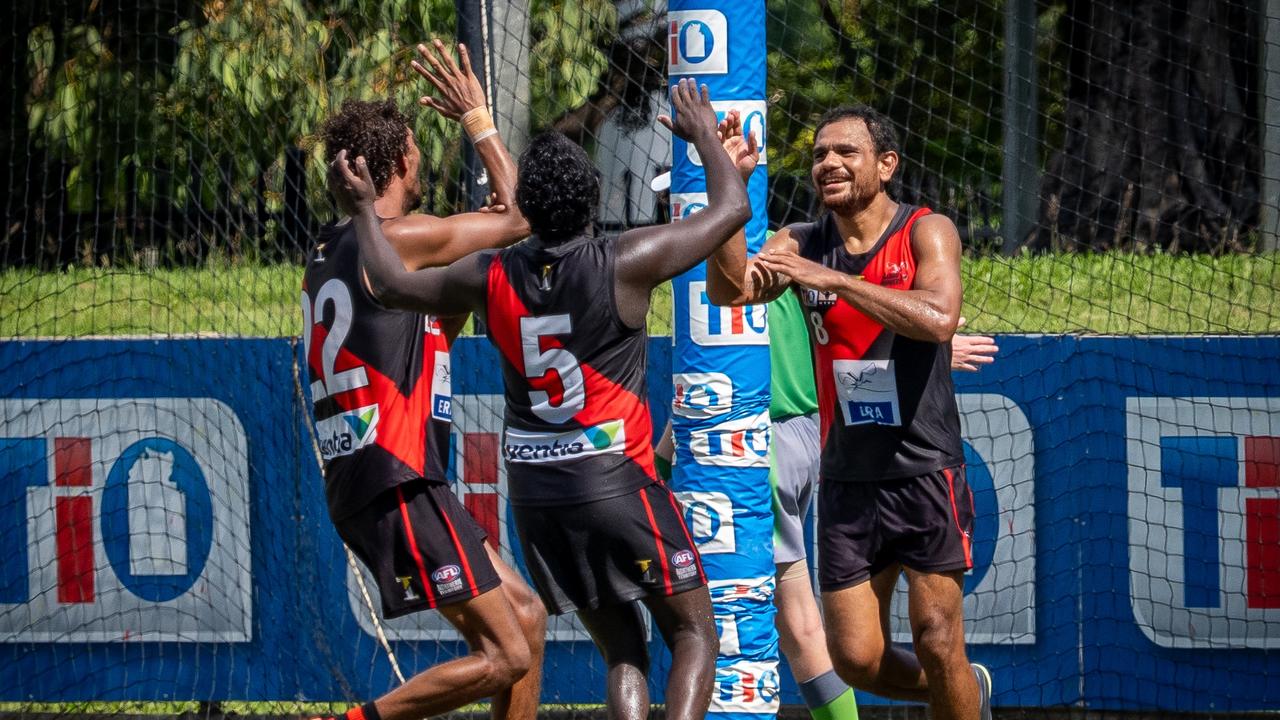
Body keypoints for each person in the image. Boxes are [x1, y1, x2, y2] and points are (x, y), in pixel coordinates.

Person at [328, 79, 755, 720]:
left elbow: (388, 284)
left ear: (527, 203)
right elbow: (729, 212)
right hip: (617, 485)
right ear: (595, 199)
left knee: (623, 655)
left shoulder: (487, 274)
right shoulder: (624, 259)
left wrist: (363, 208)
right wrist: (703, 141)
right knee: (695, 633)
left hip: (536, 499)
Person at [704, 104, 994, 720]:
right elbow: (730, 290)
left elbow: (939, 317)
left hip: (924, 471)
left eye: (846, 152)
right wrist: (729, 189)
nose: (828, 163)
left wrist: (833, 283)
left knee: (938, 641)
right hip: (847, 479)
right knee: (856, 660)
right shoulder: (803, 242)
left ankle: (956, 684)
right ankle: (966, 692)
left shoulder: (925, 229)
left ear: (885, 165)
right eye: (818, 154)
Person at [303, 40, 545, 720]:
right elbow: (527, 216)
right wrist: (479, 120)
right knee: (508, 654)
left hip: (386, 477)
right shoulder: (399, 236)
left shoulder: (335, 247)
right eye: (413, 150)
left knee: (524, 616)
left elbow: (425, 327)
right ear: (398, 164)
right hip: (396, 476)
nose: (420, 162)